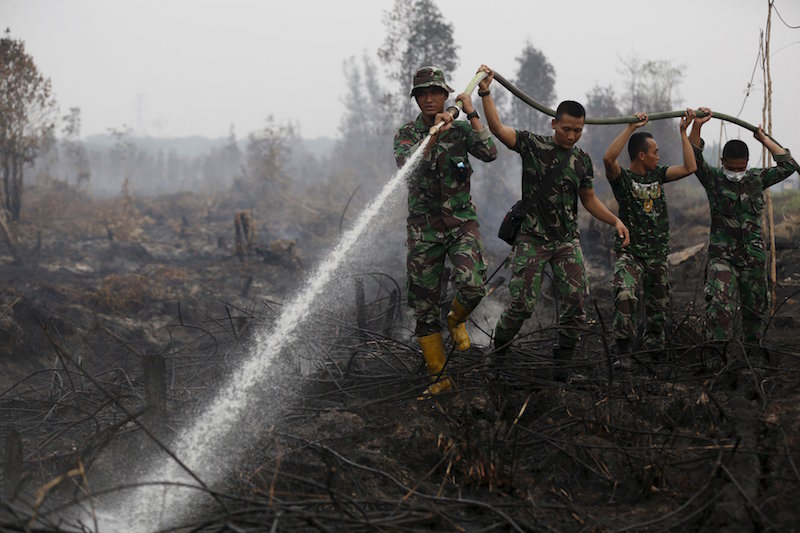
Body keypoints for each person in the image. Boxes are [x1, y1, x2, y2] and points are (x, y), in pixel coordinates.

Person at [476, 65, 629, 379]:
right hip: (531, 240)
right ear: (554, 124)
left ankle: (564, 364)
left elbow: (588, 199)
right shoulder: (534, 145)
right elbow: (499, 131)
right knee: (522, 303)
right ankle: (499, 355)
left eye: (578, 130)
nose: (571, 136)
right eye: (566, 129)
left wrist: (615, 221)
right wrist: (486, 93)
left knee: (576, 300)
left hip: (565, 242)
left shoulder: (582, 160)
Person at [393, 66, 498, 395]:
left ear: (445, 94)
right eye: (422, 94)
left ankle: (456, 319)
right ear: (416, 99)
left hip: (460, 223)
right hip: (424, 231)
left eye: (435, 93)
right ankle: (439, 379)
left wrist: (472, 110)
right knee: (424, 306)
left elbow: (490, 153)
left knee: (472, 284)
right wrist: (432, 136)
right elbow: (407, 170)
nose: (428, 99)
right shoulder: (406, 135)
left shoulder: (462, 130)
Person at [689, 108, 798, 356]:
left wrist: (764, 139)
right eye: (732, 168)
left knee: (756, 308)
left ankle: (753, 355)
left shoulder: (756, 178)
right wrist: (697, 126)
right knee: (719, 306)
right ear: (722, 163)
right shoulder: (714, 179)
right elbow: (694, 159)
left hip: (753, 258)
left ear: (747, 164)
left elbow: (789, 166)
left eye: (741, 168)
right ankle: (717, 356)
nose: (736, 174)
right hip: (723, 258)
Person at [602, 110, 697, 359]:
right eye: (655, 151)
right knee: (624, 293)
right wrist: (630, 128)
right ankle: (623, 349)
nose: (659, 155)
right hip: (631, 253)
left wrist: (683, 132)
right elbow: (608, 159)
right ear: (641, 155)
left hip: (657, 254)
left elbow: (690, 167)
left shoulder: (658, 175)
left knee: (658, 308)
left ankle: (655, 349)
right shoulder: (623, 179)